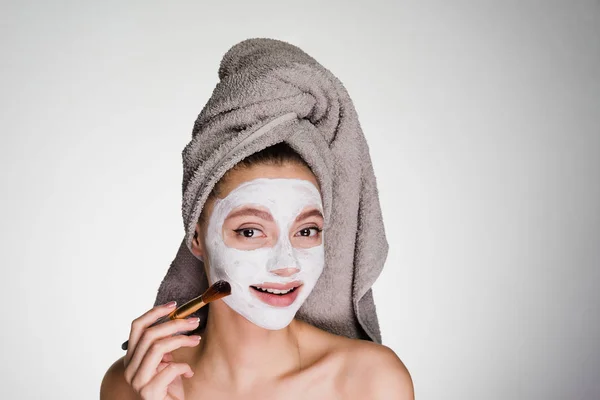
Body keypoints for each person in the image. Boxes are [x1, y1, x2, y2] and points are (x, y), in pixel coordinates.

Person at [100, 142, 414, 399]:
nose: (287, 264)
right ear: (197, 238)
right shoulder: (134, 384)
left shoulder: (371, 382)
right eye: (251, 231)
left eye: (306, 231)